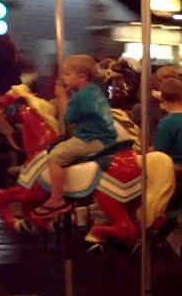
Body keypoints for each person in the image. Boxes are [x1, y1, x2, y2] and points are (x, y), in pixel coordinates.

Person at [32, 55, 118, 218]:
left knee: (55, 155)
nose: (64, 78)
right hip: (104, 137)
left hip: (92, 139)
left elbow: (69, 118)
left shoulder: (82, 95)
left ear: (81, 76)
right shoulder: (94, 91)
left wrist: (62, 96)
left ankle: (56, 199)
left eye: (67, 74)